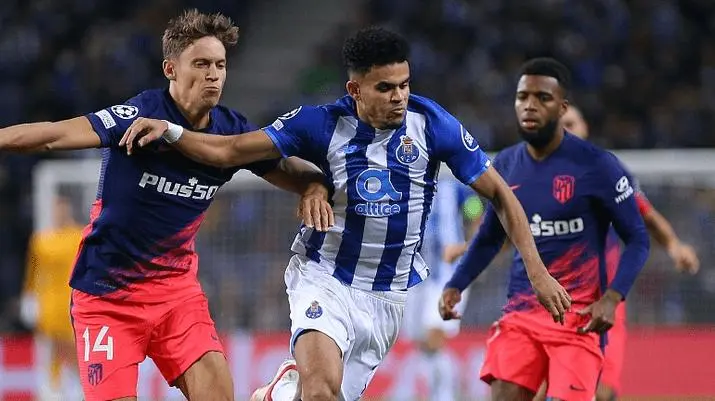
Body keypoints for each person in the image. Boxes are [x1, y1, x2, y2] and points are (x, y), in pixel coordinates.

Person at [118, 27, 571, 401]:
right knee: (321, 392)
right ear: (355, 89)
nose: (399, 97)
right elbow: (231, 150)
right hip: (325, 276)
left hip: (388, 296)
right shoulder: (319, 124)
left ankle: (280, 393)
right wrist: (172, 132)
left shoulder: (432, 124)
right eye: (385, 88)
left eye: (404, 85)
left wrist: (538, 271)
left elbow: (501, 195)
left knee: (321, 395)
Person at [0, 9, 332, 401]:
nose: (214, 75)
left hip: (176, 296)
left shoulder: (230, 133)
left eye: (220, 65)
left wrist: (314, 186)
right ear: (170, 69)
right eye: (201, 64)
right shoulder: (140, 115)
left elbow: (289, 169)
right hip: (107, 297)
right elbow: (54, 136)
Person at [439, 57, 651, 401]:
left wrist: (613, 298)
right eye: (523, 96)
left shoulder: (598, 165)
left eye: (543, 97)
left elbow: (638, 238)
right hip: (522, 315)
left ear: (561, 107)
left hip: (579, 320)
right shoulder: (506, 164)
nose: (530, 105)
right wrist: (456, 283)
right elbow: (491, 236)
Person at [530, 105, 700, 401]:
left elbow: (645, 214)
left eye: (571, 123)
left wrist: (673, 245)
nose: (566, 130)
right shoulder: (530, 174)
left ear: (585, 128)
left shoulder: (606, 171)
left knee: (602, 389)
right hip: (548, 300)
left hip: (602, 298)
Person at [399, 177, 483, 401]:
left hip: (447, 275)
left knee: (433, 337)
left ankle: (444, 395)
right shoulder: (409, 180)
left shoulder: (452, 187)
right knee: (422, 342)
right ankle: (434, 393)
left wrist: (468, 247)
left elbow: (475, 212)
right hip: (417, 275)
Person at [21, 195, 84, 398]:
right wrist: (29, 298)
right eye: (57, 209)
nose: (60, 213)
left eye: (63, 209)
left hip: (74, 303)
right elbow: (32, 273)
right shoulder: (41, 241)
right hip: (49, 305)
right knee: (50, 351)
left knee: (74, 349)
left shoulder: (79, 237)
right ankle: (52, 389)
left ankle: (78, 386)